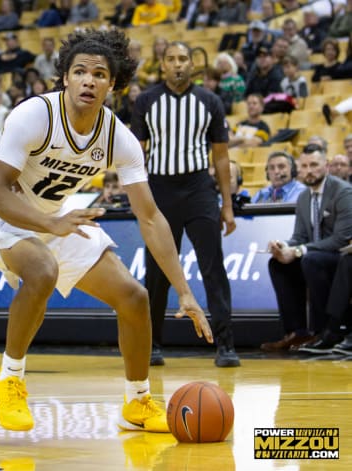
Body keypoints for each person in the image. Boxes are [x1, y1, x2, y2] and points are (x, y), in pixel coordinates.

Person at [0, 28, 212, 434]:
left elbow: (150, 217)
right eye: (80, 72)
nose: (88, 80)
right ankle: (9, 379)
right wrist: (50, 224)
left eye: (99, 74)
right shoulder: (34, 115)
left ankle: (137, 402)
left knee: (134, 297)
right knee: (42, 270)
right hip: (1, 216)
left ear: (112, 84)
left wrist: (184, 291)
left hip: (56, 217)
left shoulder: (119, 138)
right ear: (65, 77)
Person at [130, 41, 240, 368]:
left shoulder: (210, 101)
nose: (178, 64)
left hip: (198, 189)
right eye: (171, 59)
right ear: (162, 65)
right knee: (157, 272)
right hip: (159, 192)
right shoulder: (147, 101)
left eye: (183, 59)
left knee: (213, 268)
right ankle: (152, 345)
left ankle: (226, 345)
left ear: (192, 63)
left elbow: (221, 157)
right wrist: (140, 200)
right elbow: (136, 155)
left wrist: (227, 205)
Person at [260, 144, 352, 352]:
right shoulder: (303, 198)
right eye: (304, 166)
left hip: (340, 258)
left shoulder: (343, 192)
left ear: (326, 166)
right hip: (315, 256)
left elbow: (341, 239)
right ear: (298, 169)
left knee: (310, 260)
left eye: (314, 165)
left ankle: (323, 330)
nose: (309, 170)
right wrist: (284, 246)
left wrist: (300, 251)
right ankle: (297, 332)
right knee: (278, 264)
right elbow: (299, 237)